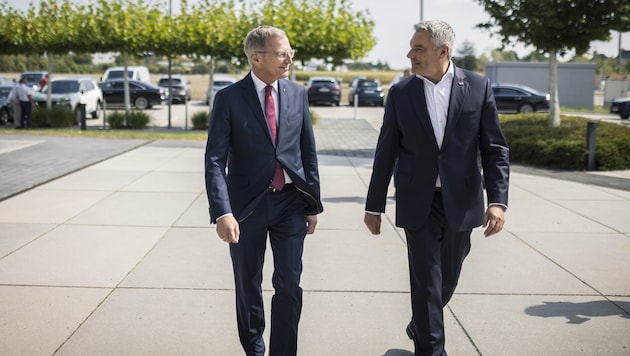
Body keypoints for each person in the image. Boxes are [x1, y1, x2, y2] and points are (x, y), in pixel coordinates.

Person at [363, 20, 510, 356]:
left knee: (447, 280)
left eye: (419, 48)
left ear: (443, 51)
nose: (410, 54)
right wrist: (374, 206)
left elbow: (494, 149)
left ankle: (421, 324)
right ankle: (430, 349)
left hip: (462, 201)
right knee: (425, 282)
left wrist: (498, 201)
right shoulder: (402, 93)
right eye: (412, 47)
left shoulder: (477, 86)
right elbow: (386, 150)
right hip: (419, 202)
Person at [204, 25, 323, 356]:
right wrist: (222, 212)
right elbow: (214, 160)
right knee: (248, 286)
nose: (289, 58)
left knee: (289, 285)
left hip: (290, 204)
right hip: (246, 209)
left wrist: (312, 204)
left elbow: (306, 153)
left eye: (290, 52)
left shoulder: (298, 94)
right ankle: (254, 350)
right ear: (256, 58)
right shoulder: (228, 99)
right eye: (281, 53)